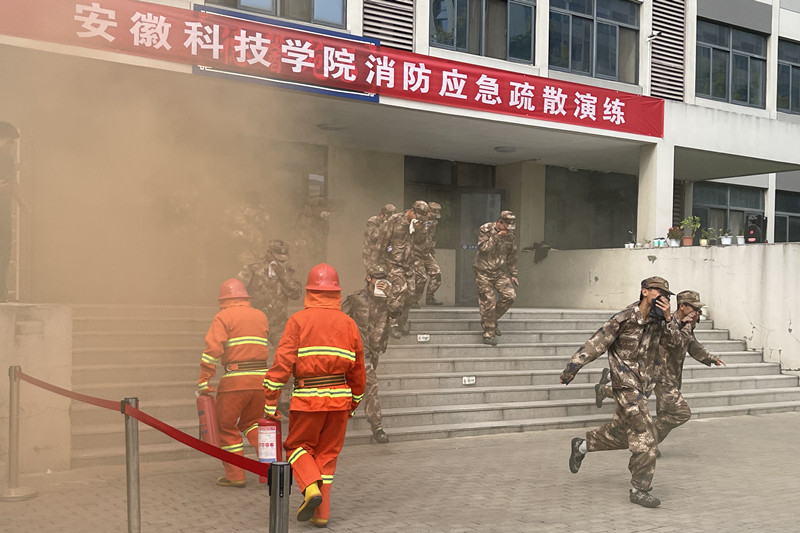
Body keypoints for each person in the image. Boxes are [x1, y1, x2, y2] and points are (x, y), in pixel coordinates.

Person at [560, 276, 681, 508]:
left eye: (666, 295)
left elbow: (676, 344)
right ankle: (639, 489)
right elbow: (596, 344)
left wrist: (668, 318)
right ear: (644, 291)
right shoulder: (624, 319)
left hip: (644, 387)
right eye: (659, 292)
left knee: (621, 434)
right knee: (647, 438)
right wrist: (571, 368)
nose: (663, 298)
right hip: (626, 387)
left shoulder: (661, 322)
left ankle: (581, 446)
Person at [262, 263, 366, 528]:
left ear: (309, 292)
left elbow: (282, 363)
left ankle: (310, 489)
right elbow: (358, 370)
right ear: (337, 292)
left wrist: (271, 398)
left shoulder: (298, 321)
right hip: (340, 400)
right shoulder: (349, 323)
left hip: (308, 399)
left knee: (296, 447)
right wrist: (354, 402)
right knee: (327, 456)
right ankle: (322, 515)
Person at [595, 290, 726, 444]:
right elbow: (676, 341)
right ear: (682, 306)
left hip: (670, 375)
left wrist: (710, 358)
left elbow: (691, 344)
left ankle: (604, 390)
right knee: (680, 412)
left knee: (660, 412)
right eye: (694, 308)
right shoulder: (665, 322)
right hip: (658, 375)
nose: (696, 312)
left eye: (698, 309)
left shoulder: (686, 324)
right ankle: (648, 441)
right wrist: (687, 326)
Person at [197, 278, 270, 488]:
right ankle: (270, 470)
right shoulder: (260, 315)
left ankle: (235, 475)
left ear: (223, 301)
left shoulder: (223, 317)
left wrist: (204, 379)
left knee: (226, 427)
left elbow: (212, 351)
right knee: (253, 423)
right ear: (245, 297)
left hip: (235, 381)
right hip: (261, 380)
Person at [342, 265, 392, 443]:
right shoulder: (356, 298)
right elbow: (340, 318)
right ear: (369, 278)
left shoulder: (386, 300)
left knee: (363, 384)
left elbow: (398, 311)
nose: (380, 281)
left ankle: (350, 410)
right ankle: (377, 427)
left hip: (374, 351)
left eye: (383, 278)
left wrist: (389, 295)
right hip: (358, 351)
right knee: (371, 386)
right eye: (377, 277)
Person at [371, 201, 429, 339]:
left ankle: (402, 323)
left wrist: (419, 230)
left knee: (411, 294)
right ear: (412, 211)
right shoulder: (395, 220)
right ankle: (393, 324)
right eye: (418, 216)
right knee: (400, 291)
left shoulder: (419, 225)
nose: (420, 219)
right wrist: (375, 263)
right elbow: (382, 241)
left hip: (408, 264)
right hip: (393, 263)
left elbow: (421, 243)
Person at [236, 239, 303, 346]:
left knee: (286, 352)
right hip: (255, 324)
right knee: (254, 353)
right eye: (277, 258)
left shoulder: (289, 272)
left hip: (279, 326)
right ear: (268, 253)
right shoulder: (253, 269)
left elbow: (296, 294)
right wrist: (249, 311)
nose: (280, 261)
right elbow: (236, 292)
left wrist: (283, 276)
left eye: (283, 259)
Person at [473, 211, 518, 346]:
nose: (508, 230)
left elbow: (512, 255)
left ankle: (491, 320)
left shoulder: (510, 235)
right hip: (482, 271)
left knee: (510, 296)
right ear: (500, 222)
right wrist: (498, 236)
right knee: (489, 301)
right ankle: (488, 334)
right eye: (506, 226)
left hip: (498, 272)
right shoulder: (485, 229)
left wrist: (513, 274)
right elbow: (483, 248)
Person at [0, 122, 19, 302]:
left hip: (3, 213)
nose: (11, 146)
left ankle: (1, 293)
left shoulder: (8, 160)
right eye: (9, 141)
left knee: (4, 251)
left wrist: (20, 201)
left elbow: (12, 183)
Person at [411, 201, 443, 307]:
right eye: (432, 215)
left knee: (436, 273)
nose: (433, 218)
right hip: (415, 254)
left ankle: (430, 297)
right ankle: (413, 301)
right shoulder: (418, 222)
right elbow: (416, 239)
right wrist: (425, 227)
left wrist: (432, 253)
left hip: (427, 253)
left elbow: (432, 240)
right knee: (421, 278)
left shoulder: (433, 224)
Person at [362, 204, 396, 272]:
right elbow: (374, 236)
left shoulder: (392, 224)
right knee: (374, 275)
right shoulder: (373, 221)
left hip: (384, 257)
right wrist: (385, 224)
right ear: (381, 214)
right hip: (371, 256)